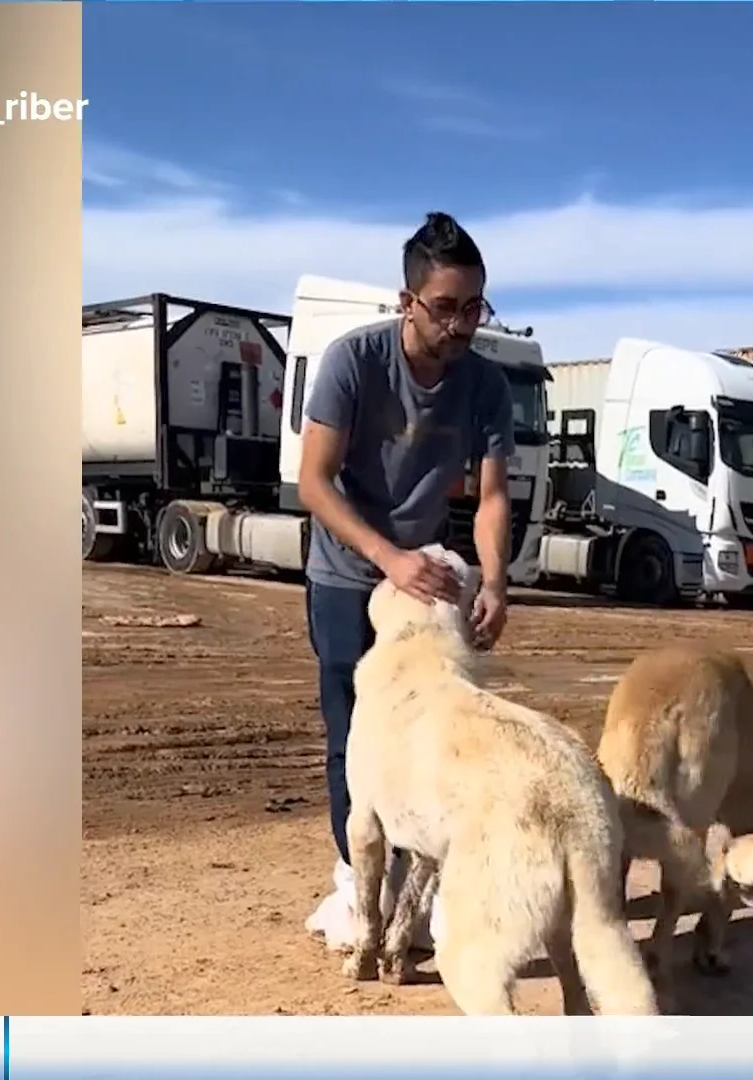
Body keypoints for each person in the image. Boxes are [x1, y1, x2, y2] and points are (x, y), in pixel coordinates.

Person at [297, 211, 516, 951]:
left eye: (474, 308)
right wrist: (386, 557)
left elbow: (489, 497)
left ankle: (417, 893)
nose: (460, 325)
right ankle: (358, 887)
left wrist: (494, 581)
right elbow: (316, 483)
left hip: (426, 581)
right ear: (407, 301)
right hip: (347, 573)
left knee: (433, 733)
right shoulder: (352, 362)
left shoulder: (486, 385)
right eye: (445, 307)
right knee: (354, 736)